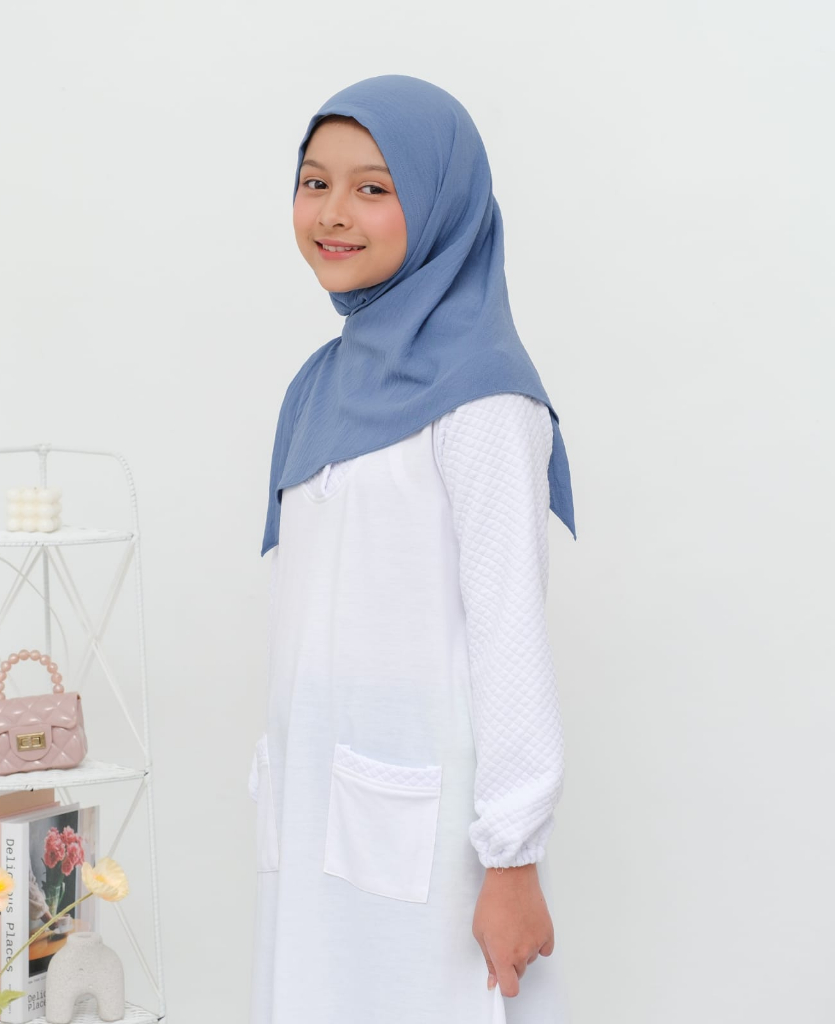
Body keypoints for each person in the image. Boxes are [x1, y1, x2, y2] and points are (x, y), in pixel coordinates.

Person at [248, 74, 576, 1024]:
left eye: (373, 188)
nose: (333, 213)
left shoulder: (485, 400)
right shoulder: (320, 385)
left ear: (441, 205)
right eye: (315, 182)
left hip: (428, 827)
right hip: (315, 800)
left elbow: (509, 633)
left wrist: (512, 860)